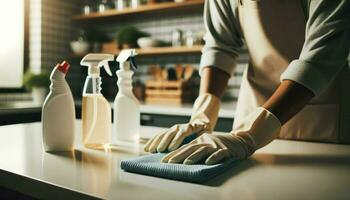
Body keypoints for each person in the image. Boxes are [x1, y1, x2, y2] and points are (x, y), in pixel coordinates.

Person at [144, 0, 350, 165]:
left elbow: (321, 55)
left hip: (320, 114)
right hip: (252, 110)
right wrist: (203, 114)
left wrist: (249, 134)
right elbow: (220, 47)